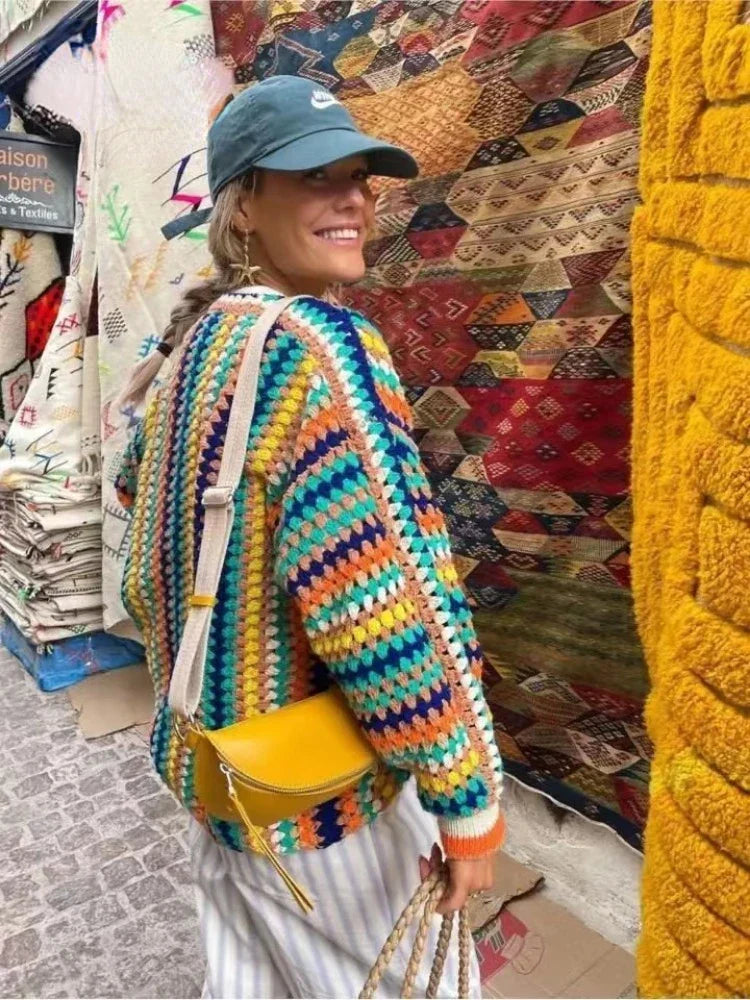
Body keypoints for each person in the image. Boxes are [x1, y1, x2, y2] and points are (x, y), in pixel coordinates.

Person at [116, 75, 504, 999]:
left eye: (361, 178)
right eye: (315, 176)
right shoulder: (323, 349)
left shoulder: (193, 350)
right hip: (318, 802)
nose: (354, 199)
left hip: (222, 772)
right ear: (243, 206)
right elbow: (383, 607)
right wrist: (464, 791)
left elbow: (143, 537)